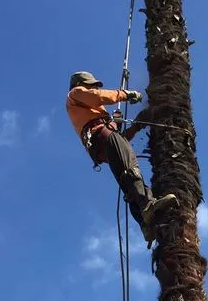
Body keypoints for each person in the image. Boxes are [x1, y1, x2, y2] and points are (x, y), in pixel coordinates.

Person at [66, 71, 177, 241]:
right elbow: (98, 97)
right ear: (82, 84)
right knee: (130, 167)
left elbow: (121, 140)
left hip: (100, 145)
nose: (94, 87)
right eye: (91, 85)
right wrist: (126, 94)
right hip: (102, 136)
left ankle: (145, 224)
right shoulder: (75, 93)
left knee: (126, 177)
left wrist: (136, 125)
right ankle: (148, 204)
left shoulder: (89, 112)